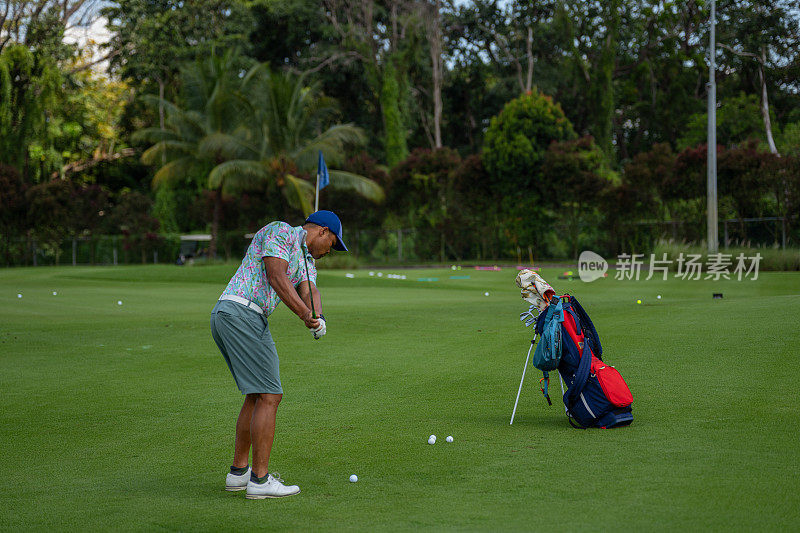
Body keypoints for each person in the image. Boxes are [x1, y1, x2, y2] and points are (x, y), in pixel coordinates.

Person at [210, 210, 347, 499]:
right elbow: (276, 275)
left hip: (243, 316)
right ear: (323, 231)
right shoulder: (280, 232)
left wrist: (317, 315)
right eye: (332, 244)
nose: (329, 251)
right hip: (241, 312)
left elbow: (309, 289)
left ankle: (239, 473)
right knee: (271, 395)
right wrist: (304, 314)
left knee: (257, 394)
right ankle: (260, 481)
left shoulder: (307, 262)